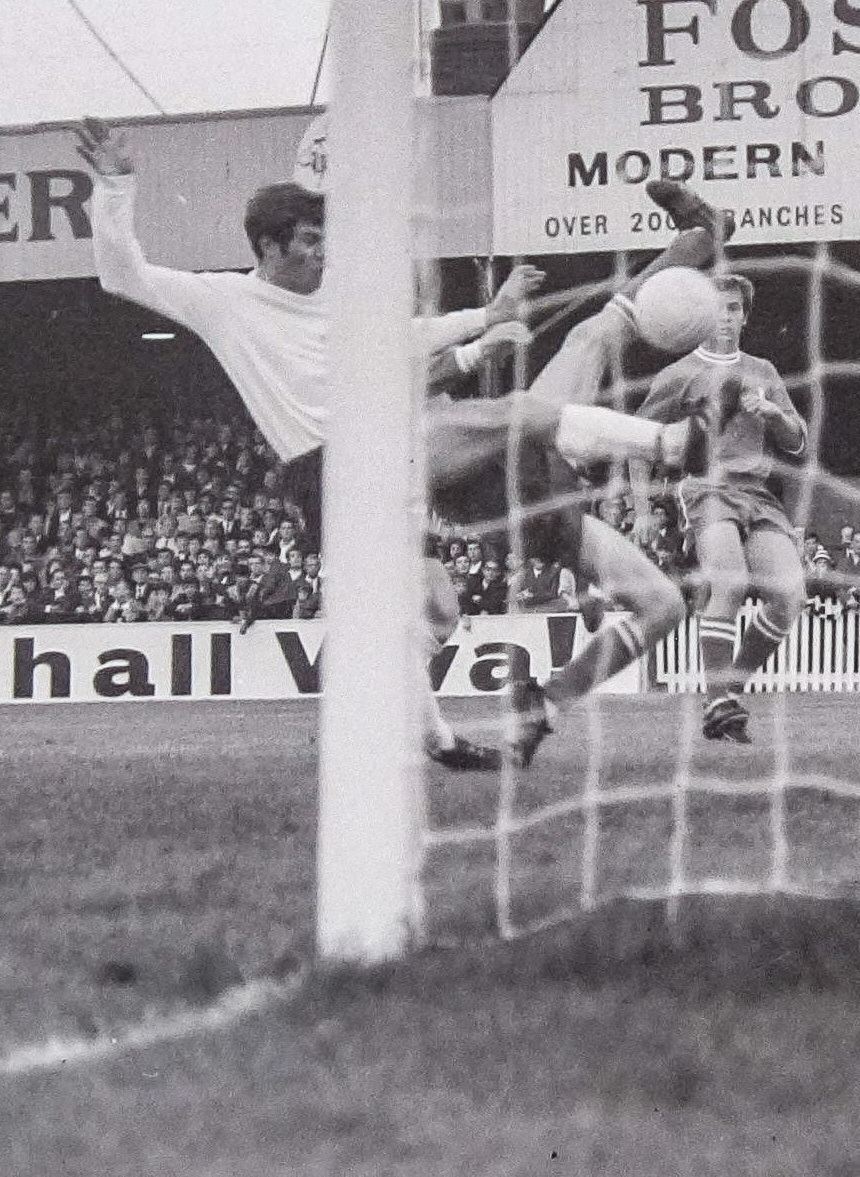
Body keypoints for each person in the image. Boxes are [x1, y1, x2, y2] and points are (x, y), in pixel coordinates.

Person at [71, 117, 716, 770]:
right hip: (346, 462)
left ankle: (482, 725)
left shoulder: (342, 299)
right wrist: (115, 186)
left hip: (420, 463)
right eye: (310, 241)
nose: (323, 253)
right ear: (268, 246)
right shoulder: (225, 300)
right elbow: (124, 276)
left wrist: (482, 322)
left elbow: (406, 338)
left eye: (326, 238)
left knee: (451, 608)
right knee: (541, 394)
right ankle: (668, 442)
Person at [637, 272, 812, 743]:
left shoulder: (764, 371)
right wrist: (641, 509)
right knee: (730, 581)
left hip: (757, 492)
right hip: (706, 488)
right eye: (716, 308)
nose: (725, 317)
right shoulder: (678, 375)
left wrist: (775, 415)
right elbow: (640, 441)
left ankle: (726, 692)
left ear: (745, 316)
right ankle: (718, 700)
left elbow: (797, 441)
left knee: (790, 596)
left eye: (734, 308)